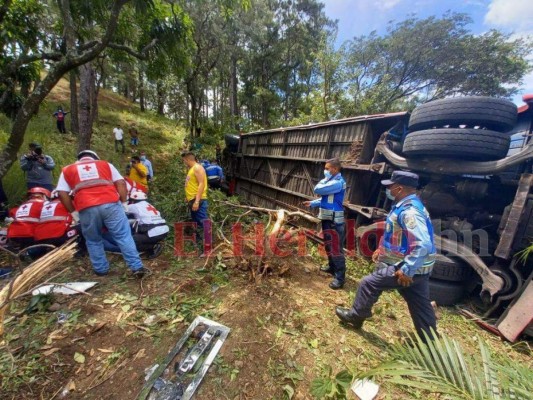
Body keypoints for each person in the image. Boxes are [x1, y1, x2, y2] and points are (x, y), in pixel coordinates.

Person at [335, 171, 438, 341]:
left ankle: (356, 316)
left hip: (408, 267)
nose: (387, 190)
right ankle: (429, 338)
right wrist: (381, 249)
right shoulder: (407, 205)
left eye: (390, 187)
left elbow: (423, 244)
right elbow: (395, 232)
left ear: (399, 188)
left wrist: (407, 269)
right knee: (420, 303)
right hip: (421, 268)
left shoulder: (410, 212)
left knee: (369, 283)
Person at [56, 150, 146, 277]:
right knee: (123, 236)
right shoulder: (105, 164)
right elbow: (120, 183)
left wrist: (73, 212)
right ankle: (136, 267)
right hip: (111, 204)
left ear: (79, 159)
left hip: (86, 207)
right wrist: (124, 203)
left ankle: (101, 270)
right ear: (95, 158)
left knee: (93, 240)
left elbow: (61, 193)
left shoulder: (68, 170)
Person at [303, 158, 347, 290]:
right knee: (328, 245)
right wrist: (312, 203)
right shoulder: (332, 182)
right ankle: (332, 267)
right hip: (327, 218)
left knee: (335, 248)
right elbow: (326, 199)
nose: (325, 171)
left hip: (334, 221)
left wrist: (323, 181)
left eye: (327, 169)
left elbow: (318, 189)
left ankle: (340, 278)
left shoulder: (338, 182)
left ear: (334, 169)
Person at [103, 189, 168, 257]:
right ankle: (152, 245)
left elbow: (119, 210)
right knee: (137, 235)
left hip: (153, 232)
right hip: (164, 230)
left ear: (133, 200)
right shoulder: (150, 206)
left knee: (128, 242)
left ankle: (151, 247)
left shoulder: (134, 206)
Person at [181, 151, 209, 254]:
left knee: (203, 222)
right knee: (196, 223)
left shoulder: (197, 168)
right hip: (192, 199)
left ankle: (207, 248)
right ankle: (200, 245)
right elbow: (192, 184)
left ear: (188, 159)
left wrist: (197, 201)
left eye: (184, 160)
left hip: (199, 200)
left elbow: (201, 184)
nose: (184, 162)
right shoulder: (191, 169)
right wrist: (188, 197)